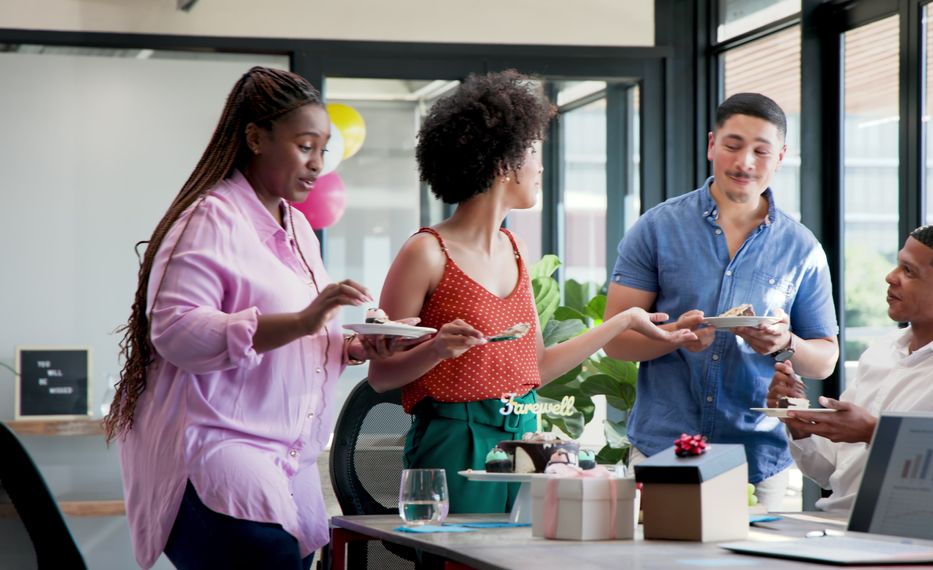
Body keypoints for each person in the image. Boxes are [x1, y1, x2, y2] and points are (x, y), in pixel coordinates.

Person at [104, 67, 417, 570]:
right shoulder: (211, 218)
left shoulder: (297, 227)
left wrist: (356, 346)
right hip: (219, 456)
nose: (317, 165)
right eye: (305, 146)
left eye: (323, 150)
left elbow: (307, 336)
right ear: (255, 138)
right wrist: (303, 319)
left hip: (286, 465)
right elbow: (175, 332)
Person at [366, 70, 696, 514]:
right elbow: (381, 376)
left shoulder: (516, 249)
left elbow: (535, 366)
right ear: (503, 163)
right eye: (535, 153)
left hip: (523, 444)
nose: (541, 167)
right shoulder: (425, 253)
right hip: (454, 444)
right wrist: (437, 350)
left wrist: (620, 323)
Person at [603, 93, 840, 510]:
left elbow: (824, 359)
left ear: (780, 156)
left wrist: (785, 343)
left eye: (761, 151)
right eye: (732, 145)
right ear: (712, 144)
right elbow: (617, 340)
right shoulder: (657, 228)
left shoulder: (801, 248)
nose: (744, 162)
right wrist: (673, 337)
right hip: (665, 446)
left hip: (758, 457)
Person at [769, 223, 933, 512]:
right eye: (898, 265)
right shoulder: (882, 351)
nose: (890, 276)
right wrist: (799, 424)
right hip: (837, 529)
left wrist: (875, 433)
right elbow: (831, 471)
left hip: (902, 539)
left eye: (909, 271)